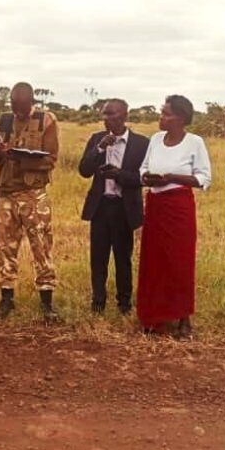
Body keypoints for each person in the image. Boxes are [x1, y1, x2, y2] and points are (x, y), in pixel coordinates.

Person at [136, 95, 211, 338]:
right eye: (162, 112)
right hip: (156, 204)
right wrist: (147, 177)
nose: (162, 117)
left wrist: (172, 178)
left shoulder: (194, 142)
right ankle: (155, 316)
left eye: (166, 113)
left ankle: (183, 318)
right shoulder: (156, 140)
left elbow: (203, 179)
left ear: (180, 118)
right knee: (154, 260)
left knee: (179, 261)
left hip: (178, 206)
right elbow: (143, 167)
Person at [0, 82, 60, 322]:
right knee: (6, 248)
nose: (16, 110)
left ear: (31, 102)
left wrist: (21, 160)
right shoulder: (5, 120)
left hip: (33, 193)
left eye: (20, 105)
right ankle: (7, 299)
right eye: (13, 104)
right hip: (7, 193)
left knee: (41, 247)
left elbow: (51, 159)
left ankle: (47, 301)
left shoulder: (45, 120)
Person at [78, 99, 150, 315]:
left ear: (125, 116)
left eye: (112, 114)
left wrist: (119, 175)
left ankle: (124, 304)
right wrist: (99, 149)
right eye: (104, 114)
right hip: (100, 206)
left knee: (123, 257)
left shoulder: (141, 144)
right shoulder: (97, 139)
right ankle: (98, 301)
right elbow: (84, 170)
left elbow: (143, 178)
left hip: (124, 207)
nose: (107, 119)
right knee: (98, 257)